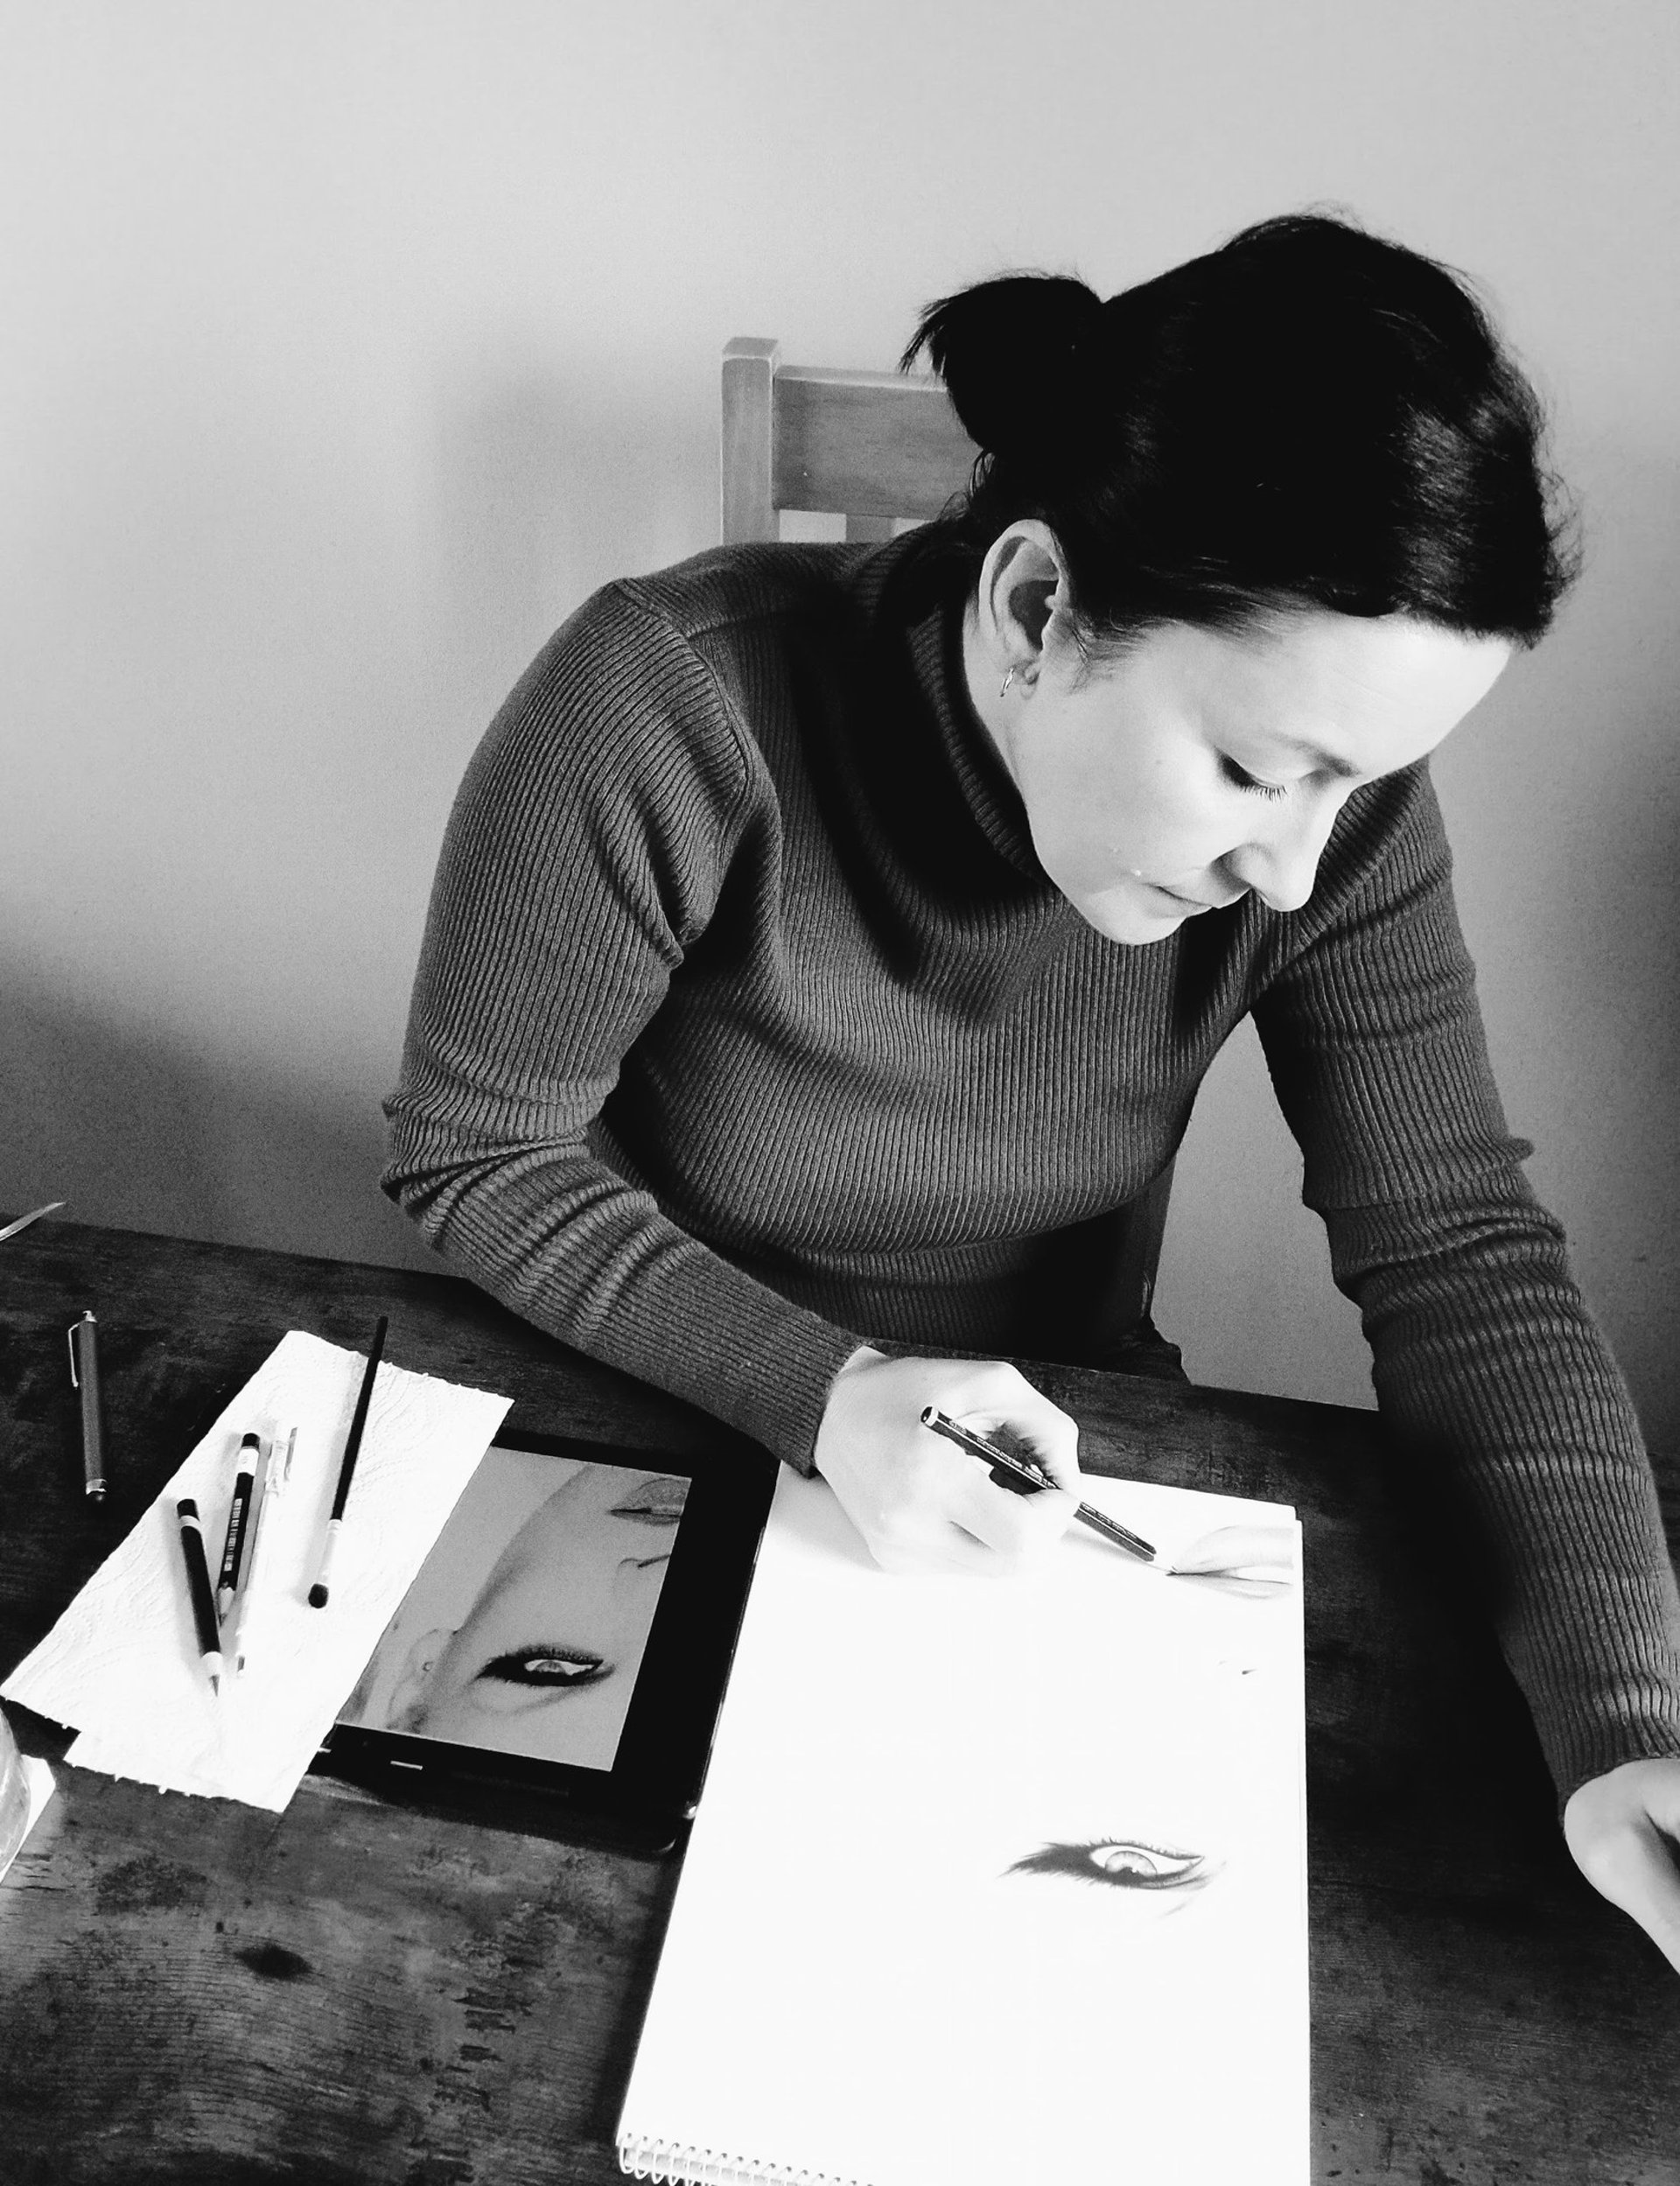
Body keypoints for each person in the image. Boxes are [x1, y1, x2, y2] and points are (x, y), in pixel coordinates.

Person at [383, 214, 1680, 1967]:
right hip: (671, 1431)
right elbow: (479, 1153)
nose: (1297, 870)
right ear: (1036, 607)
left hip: (1050, 1476)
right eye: (1247, 770)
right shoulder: (667, 703)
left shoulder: (1337, 826)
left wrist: (1627, 1726)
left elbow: (1457, 1249)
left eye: (1361, 786)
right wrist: (822, 1389)